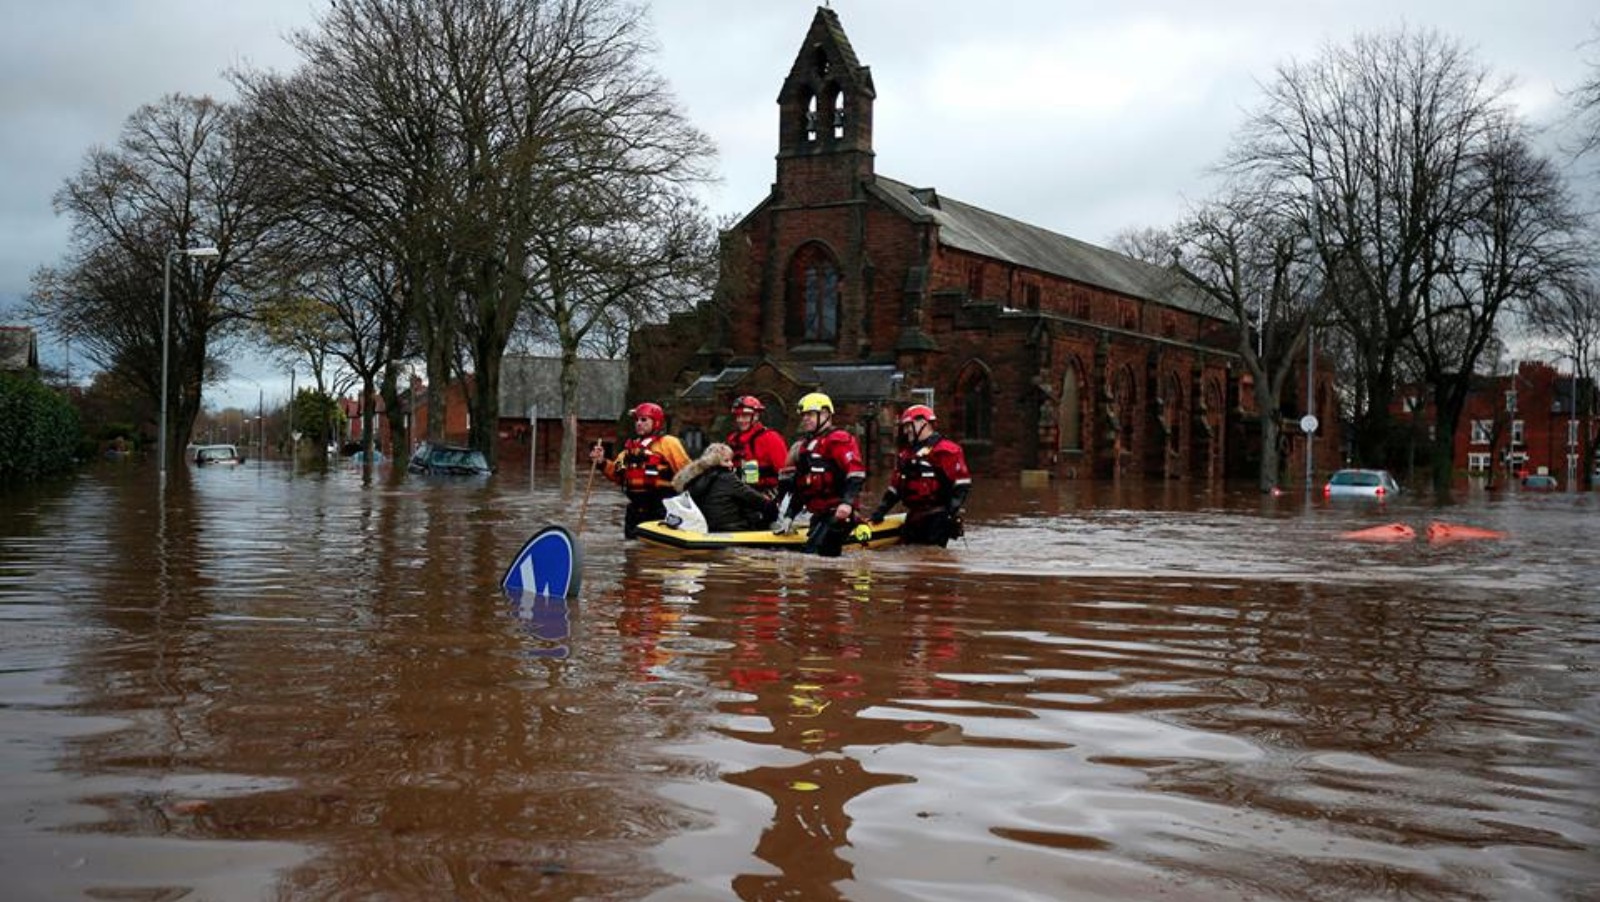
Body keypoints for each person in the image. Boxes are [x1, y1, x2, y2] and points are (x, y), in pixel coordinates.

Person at [773, 392, 867, 557]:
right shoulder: (805, 447)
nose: (805, 419)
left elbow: (856, 473)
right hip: (819, 515)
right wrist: (789, 516)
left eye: (809, 414)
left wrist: (846, 503)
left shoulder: (839, 439)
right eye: (804, 415)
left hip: (838, 514)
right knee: (811, 557)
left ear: (825, 414)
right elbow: (801, 487)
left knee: (815, 557)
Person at [869, 404, 971, 547]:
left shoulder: (946, 450)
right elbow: (895, 488)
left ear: (923, 423)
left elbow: (961, 485)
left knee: (929, 558)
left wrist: (950, 513)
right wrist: (880, 512)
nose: (906, 431)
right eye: (905, 427)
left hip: (937, 517)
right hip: (914, 517)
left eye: (909, 426)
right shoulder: (906, 454)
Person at [590, 402, 692, 538]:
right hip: (636, 510)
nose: (638, 423)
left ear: (656, 422)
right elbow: (616, 474)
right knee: (632, 552)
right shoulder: (630, 449)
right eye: (637, 420)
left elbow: (688, 473)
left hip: (661, 508)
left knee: (653, 554)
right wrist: (602, 461)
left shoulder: (668, 443)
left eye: (644, 419)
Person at [672, 443, 777, 533]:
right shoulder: (727, 477)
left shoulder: (697, 477)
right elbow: (756, 500)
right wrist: (773, 508)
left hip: (707, 527)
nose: (731, 464)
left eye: (731, 460)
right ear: (715, 461)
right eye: (726, 461)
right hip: (731, 528)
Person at [726, 395, 789, 501]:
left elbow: (785, 472)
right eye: (738, 416)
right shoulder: (732, 439)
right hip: (739, 493)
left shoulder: (771, 438)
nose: (740, 420)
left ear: (756, 416)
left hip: (767, 494)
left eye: (745, 416)